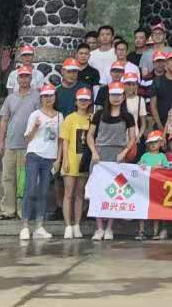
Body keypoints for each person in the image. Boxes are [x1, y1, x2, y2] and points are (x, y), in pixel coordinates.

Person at [86, 83, 138, 242]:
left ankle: (109, 227)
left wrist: (124, 152)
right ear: (108, 96)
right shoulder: (99, 114)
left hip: (118, 157)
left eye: (119, 95)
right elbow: (90, 135)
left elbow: (132, 138)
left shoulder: (128, 116)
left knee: (114, 192)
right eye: (113, 95)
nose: (116, 98)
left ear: (123, 96)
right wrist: (94, 152)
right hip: (100, 156)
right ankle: (99, 227)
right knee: (97, 192)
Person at [0, 66, 39, 221]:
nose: (24, 79)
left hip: (28, 146)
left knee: (24, 180)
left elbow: (40, 120)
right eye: (21, 76)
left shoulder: (37, 97)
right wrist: (1, 141)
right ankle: (8, 210)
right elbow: (4, 120)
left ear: (31, 78)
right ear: (17, 79)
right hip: (10, 144)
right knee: (7, 178)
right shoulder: (10, 98)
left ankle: (23, 211)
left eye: (27, 76)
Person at [20, 83, 61, 241]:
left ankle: (39, 226)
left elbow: (61, 140)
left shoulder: (59, 116)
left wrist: (58, 159)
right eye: (45, 96)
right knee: (30, 189)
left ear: (55, 97)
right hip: (34, 155)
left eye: (51, 95)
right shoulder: (35, 115)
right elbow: (27, 138)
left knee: (43, 192)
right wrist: (35, 127)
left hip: (50, 158)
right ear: (41, 98)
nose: (48, 98)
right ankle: (25, 226)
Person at [58, 87, 94, 239]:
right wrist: (64, 160)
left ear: (90, 101)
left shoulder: (92, 118)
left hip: (84, 161)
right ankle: (68, 225)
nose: (83, 102)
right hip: (71, 159)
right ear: (76, 102)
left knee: (80, 194)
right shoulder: (70, 118)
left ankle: (77, 224)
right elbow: (65, 141)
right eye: (81, 100)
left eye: (86, 99)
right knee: (68, 193)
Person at [136, 130, 171, 240]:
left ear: (160, 143)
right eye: (151, 142)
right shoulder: (145, 155)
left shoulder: (162, 156)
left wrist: (160, 167)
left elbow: (167, 169)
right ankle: (141, 232)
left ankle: (155, 232)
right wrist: (141, 165)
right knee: (142, 209)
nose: (153, 144)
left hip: (157, 187)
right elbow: (138, 166)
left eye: (155, 142)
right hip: (145, 187)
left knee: (156, 209)